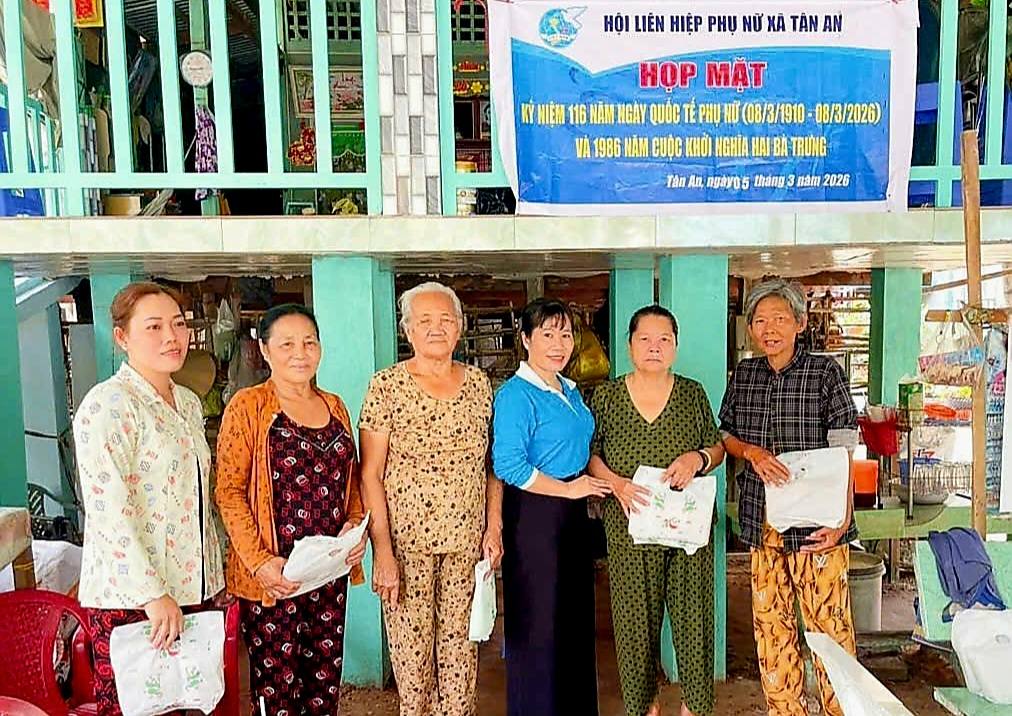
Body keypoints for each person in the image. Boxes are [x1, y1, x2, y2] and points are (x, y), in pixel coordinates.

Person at [73, 281, 225, 716]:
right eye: (154, 327)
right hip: (133, 599)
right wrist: (152, 594)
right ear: (122, 337)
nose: (171, 337)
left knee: (190, 705)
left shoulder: (188, 403)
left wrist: (213, 578)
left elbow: (195, 496)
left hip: (191, 589)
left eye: (178, 324)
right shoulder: (108, 405)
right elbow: (108, 510)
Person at [215, 303, 367, 716]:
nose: (300, 353)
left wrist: (355, 528)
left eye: (309, 342)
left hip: (327, 573)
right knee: (277, 693)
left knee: (323, 686)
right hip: (274, 579)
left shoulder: (335, 405)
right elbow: (228, 492)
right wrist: (260, 563)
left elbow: (351, 479)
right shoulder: (248, 406)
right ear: (264, 350)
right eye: (286, 344)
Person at [359, 282, 501, 716]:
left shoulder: (479, 384)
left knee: (461, 650)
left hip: (467, 543)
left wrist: (493, 527)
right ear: (408, 330)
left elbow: (491, 465)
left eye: (445, 320)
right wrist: (382, 551)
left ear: (459, 327)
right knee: (412, 655)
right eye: (424, 321)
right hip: (406, 547)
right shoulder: (387, 385)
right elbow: (370, 474)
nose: (436, 328)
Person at [718, 279, 858, 716]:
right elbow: (725, 435)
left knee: (830, 632)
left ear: (799, 322)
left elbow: (845, 448)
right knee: (772, 632)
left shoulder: (825, 373)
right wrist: (751, 452)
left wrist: (842, 521)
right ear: (750, 329)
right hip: (764, 526)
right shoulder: (745, 376)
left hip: (819, 529)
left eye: (780, 318)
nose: (770, 329)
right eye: (760, 320)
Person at [588, 305, 724, 716]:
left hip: (687, 530)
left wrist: (697, 458)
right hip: (629, 524)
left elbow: (717, 447)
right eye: (645, 339)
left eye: (664, 339)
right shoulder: (607, 396)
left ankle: (694, 707)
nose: (654, 347)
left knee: (694, 619)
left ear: (675, 347)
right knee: (634, 624)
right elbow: (591, 456)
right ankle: (644, 707)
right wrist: (616, 484)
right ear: (629, 346)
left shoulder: (692, 394)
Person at [492, 297, 611, 716]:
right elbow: (508, 465)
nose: (559, 344)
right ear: (526, 340)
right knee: (539, 625)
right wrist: (568, 490)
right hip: (535, 516)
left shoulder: (569, 390)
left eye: (566, 334)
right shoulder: (516, 395)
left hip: (572, 513)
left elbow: (583, 449)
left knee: (573, 621)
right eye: (547, 334)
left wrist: (592, 487)